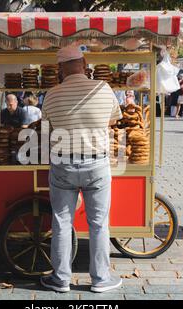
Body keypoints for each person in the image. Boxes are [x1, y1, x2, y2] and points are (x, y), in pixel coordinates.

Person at [40, 46, 123, 293]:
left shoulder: (52, 95)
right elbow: (111, 120)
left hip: (63, 164)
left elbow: (47, 130)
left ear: (60, 69)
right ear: (84, 63)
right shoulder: (103, 89)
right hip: (97, 163)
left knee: (62, 222)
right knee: (98, 223)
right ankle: (100, 280)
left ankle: (61, 279)